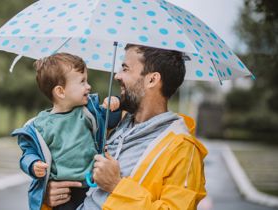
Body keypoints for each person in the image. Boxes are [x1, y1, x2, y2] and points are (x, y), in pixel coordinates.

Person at [43, 45, 208, 210]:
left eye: (125, 69)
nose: (117, 76)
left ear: (152, 80)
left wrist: (116, 186)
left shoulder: (184, 150)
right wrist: (50, 195)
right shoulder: (109, 123)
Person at [11, 53, 121, 210]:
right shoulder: (41, 126)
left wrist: (113, 106)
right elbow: (28, 152)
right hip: (63, 191)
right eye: (82, 81)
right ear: (60, 92)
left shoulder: (87, 112)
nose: (88, 86)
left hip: (92, 184)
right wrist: (32, 164)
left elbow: (110, 121)